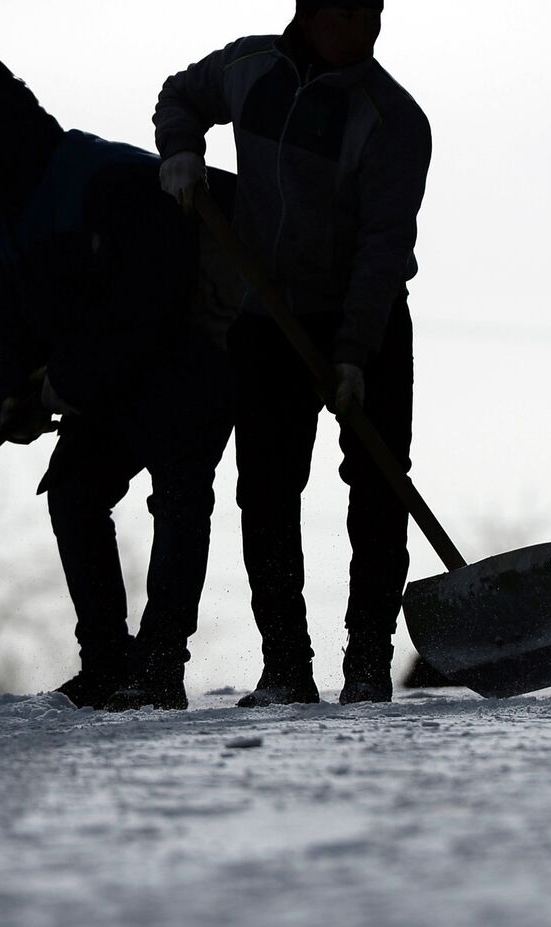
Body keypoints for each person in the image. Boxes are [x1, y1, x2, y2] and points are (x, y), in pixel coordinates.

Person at [0, 53, 233, 711]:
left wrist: (70, 383)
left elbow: (154, 299)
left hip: (189, 363)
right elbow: (16, 325)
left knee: (178, 495)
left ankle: (158, 665)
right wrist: (11, 394)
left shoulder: (108, 179)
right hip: (103, 387)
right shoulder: (1, 220)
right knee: (75, 493)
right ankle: (108, 663)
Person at [153, 0, 430, 705]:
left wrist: (354, 353)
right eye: (351, 13)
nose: (366, 30)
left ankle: (367, 664)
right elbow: (182, 94)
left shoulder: (393, 119)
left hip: (365, 320)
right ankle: (286, 667)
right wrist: (181, 150)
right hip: (267, 321)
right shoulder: (250, 67)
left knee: (378, 487)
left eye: (376, 13)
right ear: (310, 10)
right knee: (267, 493)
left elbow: (383, 246)